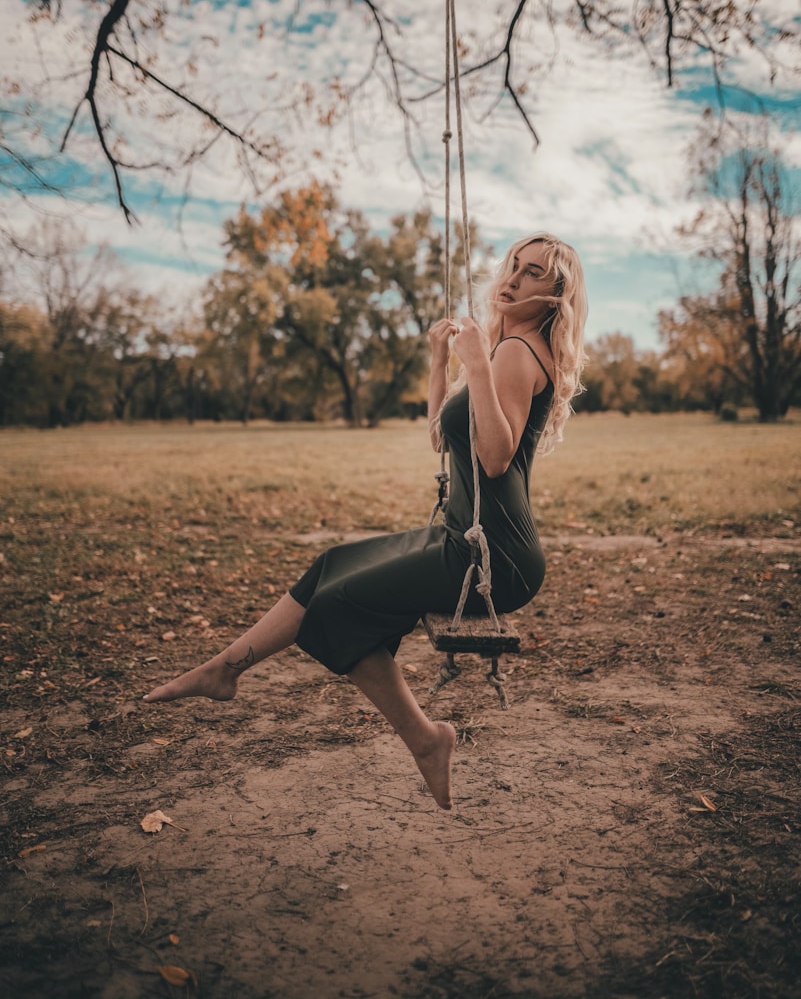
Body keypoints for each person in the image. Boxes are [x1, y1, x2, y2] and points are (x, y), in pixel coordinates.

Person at [144, 233, 588, 811]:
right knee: (331, 564)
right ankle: (223, 670)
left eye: (531, 274)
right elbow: (442, 438)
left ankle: (427, 740)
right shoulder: (507, 348)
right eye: (512, 266)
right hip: (465, 537)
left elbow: (496, 459)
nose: (512, 279)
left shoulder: (513, 353)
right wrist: (441, 364)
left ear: (556, 295)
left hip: (491, 558)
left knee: (339, 606)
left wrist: (477, 360)